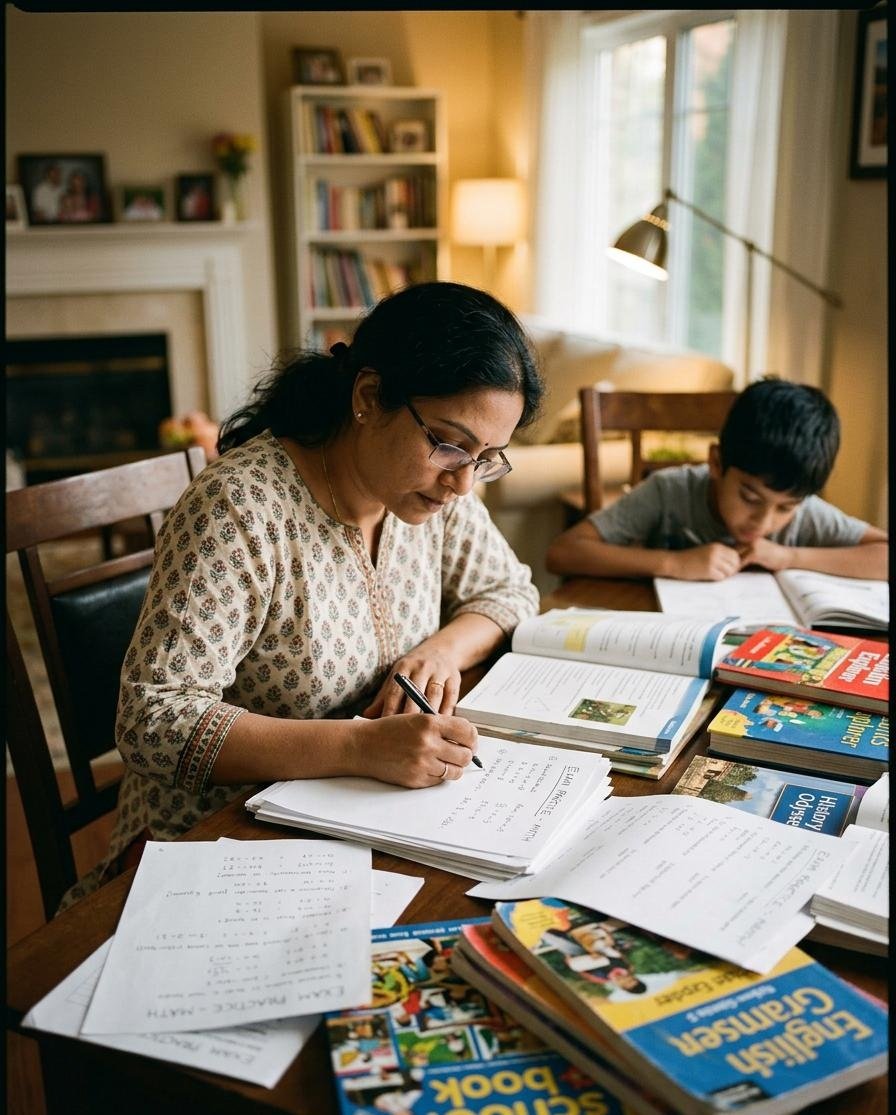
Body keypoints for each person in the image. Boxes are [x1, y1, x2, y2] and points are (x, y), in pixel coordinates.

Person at [59, 281, 543, 911]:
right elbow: (153, 722)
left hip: (360, 826)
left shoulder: (431, 493)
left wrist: (444, 651)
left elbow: (509, 589)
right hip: (217, 846)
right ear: (369, 396)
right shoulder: (241, 509)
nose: (461, 482)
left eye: (486, 457)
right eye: (448, 443)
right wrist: (359, 746)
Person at [546, 376, 888, 582]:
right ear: (715, 462)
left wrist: (789, 557)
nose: (764, 521)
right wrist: (675, 563)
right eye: (750, 498)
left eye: (785, 508)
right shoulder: (670, 491)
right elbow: (563, 552)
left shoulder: (803, 509)